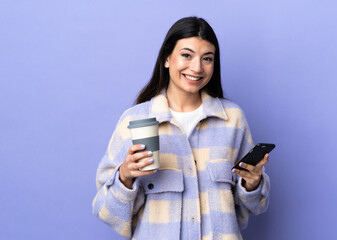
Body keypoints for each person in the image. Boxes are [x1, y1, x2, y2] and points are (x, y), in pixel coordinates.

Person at [92, 16, 270, 240]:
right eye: (186, 55)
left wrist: (252, 183)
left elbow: (252, 208)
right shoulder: (134, 121)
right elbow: (106, 212)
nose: (197, 67)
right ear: (167, 58)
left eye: (207, 58)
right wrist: (125, 177)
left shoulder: (232, 119)